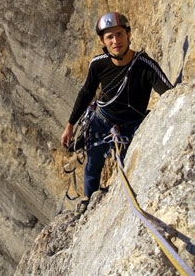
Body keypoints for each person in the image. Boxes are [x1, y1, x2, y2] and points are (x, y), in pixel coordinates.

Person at [61, 11, 173, 215]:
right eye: (110, 37)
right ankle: (89, 198)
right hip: (102, 122)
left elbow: (170, 93)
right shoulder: (98, 64)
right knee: (93, 164)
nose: (116, 41)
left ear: (128, 34)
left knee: (131, 166)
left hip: (132, 126)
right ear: (103, 41)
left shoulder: (145, 65)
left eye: (119, 34)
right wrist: (70, 125)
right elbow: (86, 92)